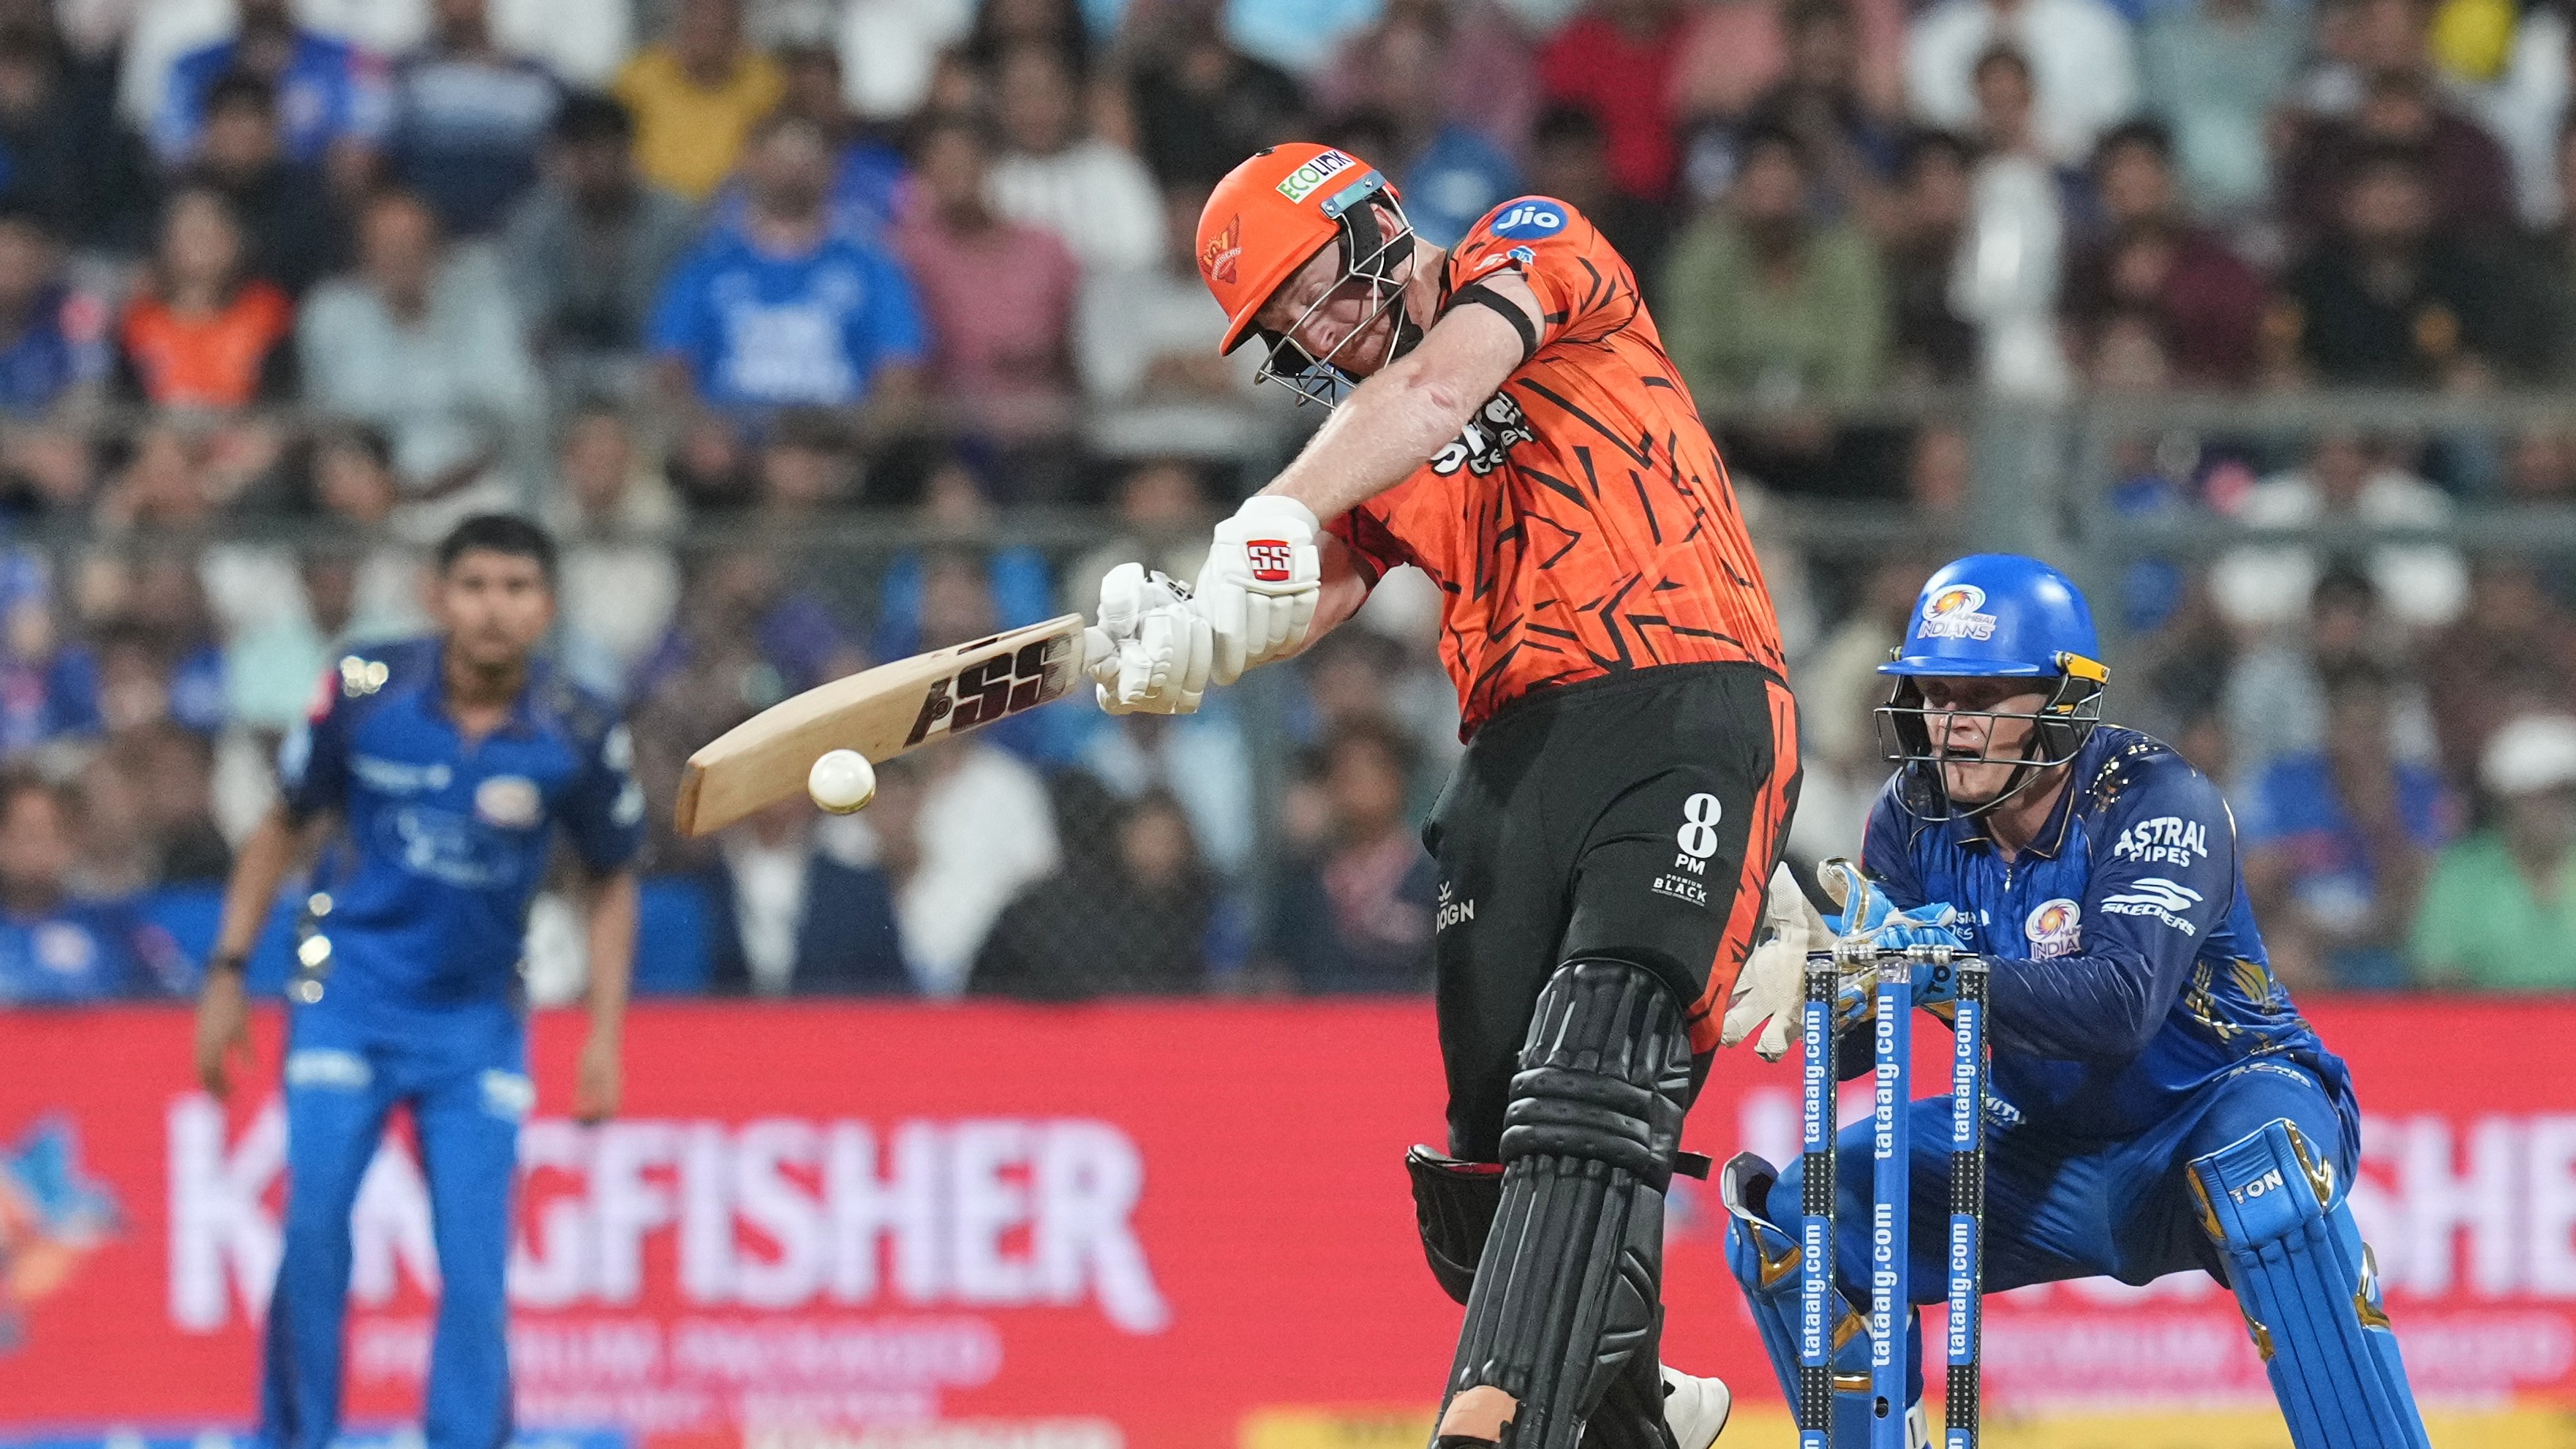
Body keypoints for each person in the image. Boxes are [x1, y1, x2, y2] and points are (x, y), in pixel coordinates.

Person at [1085, 141, 1797, 1449]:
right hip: (1514, 750)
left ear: (1374, 224)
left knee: (1602, 1049)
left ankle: (1488, 1425)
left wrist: (1267, 513)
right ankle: (1639, 1414)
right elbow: (1324, 581)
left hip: (1681, 693)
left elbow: (1432, 392)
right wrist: (1199, 638)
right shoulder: (1369, 435)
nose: (1318, 333)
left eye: (1318, 290)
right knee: (1485, 1153)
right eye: (1287, 327)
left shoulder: (1528, 245)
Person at [1717, 554, 2432, 1449]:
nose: (1952, 729)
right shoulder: (1911, 815)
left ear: (2062, 700)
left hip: (2213, 1106)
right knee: (1798, 1220)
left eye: (1980, 699)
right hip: (2037, 1142)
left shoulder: (2156, 798)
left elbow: (2119, 1008)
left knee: (2269, 1183)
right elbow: (1870, 1041)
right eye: (1935, 697)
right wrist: (1831, 984)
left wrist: (1939, 969)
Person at [190, 514, 643, 1449]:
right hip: (345, 999)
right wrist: (228, 970)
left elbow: (611, 881)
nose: (493, 608)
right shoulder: (364, 688)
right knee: (312, 1233)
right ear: (438, 596)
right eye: (474, 585)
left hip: (475, 1023)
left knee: (476, 1271)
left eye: (517, 588)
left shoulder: (580, 730)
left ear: (547, 606)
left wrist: (603, 1036)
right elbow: (282, 825)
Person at [648, 111, 927, 424]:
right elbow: (672, 363)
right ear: (750, 162)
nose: (792, 173)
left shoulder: (870, 264)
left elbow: (899, 367)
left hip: (837, 438)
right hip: (729, 442)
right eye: (780, 158)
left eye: (805, 159)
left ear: (830, 167)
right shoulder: (709, 263)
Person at [2411, 712, 2576, 990]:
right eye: (2539, 797)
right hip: (2487, 1027)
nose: (2554, 809)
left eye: (2564, 795)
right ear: (2505, 803)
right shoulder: (2461, 873)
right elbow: (2437, 973)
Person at [0, 773, 176, 1004]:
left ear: (69, 843)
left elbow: (169, 1002)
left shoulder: (112, 928)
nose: (38, 849)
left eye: (52, 833)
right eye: (27, 834)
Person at [611, 0, 782, 203]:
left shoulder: (764, 80)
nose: (710, 31)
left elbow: (769, 147)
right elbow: (616, 146)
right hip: (652, 205)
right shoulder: (638, 75)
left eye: (722, 27)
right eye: (700, 23)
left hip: (733, 206)